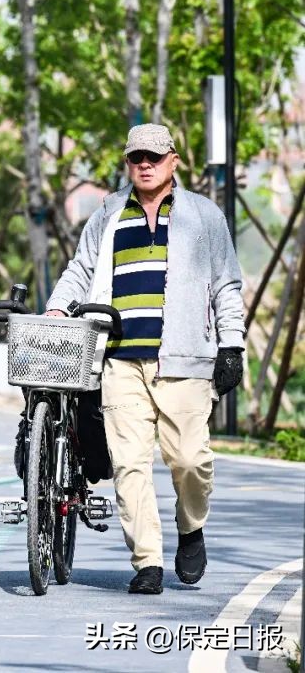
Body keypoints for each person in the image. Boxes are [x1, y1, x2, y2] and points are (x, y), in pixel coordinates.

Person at [45, 123, 245, 595]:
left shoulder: (204, 216)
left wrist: (232, 346)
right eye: (137, 158)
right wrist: (57, 305)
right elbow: (82, 268)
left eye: (154, 157)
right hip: (118, 359)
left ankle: (191, 527)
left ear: (173, 160)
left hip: (185, 360)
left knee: (190, 460)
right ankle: (147, 562)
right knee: (129, 463)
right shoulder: (109, 213)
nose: (145, 165)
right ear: (128, 162)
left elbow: (227, 287)